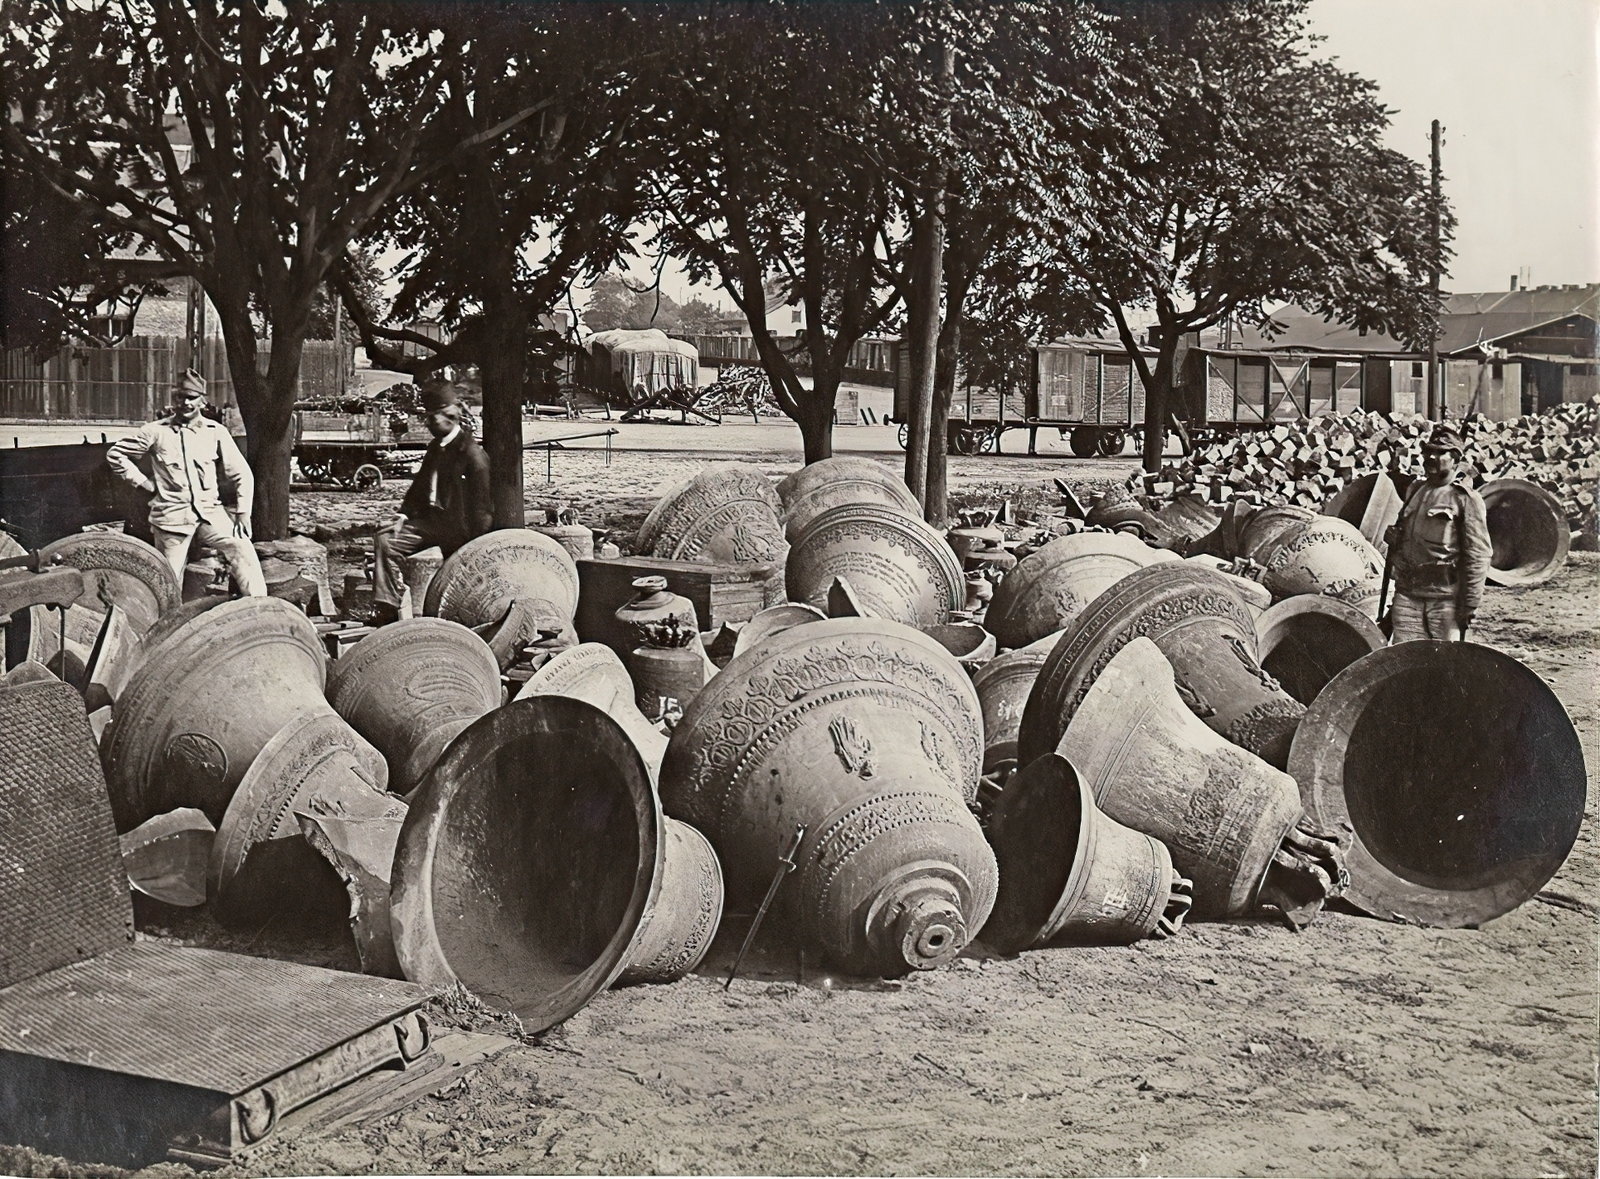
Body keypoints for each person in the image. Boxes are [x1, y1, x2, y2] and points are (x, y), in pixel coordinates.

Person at [106, 369, 266, 596]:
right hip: (172, 516)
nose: (186, 403)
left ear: (202, 400)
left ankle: (261, 608)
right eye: (181, 397)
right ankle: (168, 623)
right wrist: (143, 483)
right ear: (174, 399)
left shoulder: (215, 432)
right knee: (169, 577)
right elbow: (115, 455)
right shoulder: (155, 432)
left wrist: (243, 512)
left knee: (242, 548)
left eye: (192, 397)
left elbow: (241, 473)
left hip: (211, 514)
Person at [371, 383, 493, 626]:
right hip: (430, 523)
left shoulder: (472, 455)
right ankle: (388, 607)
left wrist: (477, 545)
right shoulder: (435, 448)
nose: (428, 423)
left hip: (459, 530)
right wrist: (403, 517)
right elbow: (419, 487)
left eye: (432, 417)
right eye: (428, 417)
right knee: (384, 540)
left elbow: (482, 508)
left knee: (461, 582)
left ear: (450, 417)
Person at [1384, 423, 1491, 643]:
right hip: (1407, 594)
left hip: (1445, 600)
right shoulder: (1415, 489)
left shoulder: (1464, 499)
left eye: (1441, 453)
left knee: (1443, 666)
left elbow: (1478, 555)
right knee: (1404, 662)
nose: (1431, 457)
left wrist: (1469, 603)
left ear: (1455, 460)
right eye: (1428, 451)